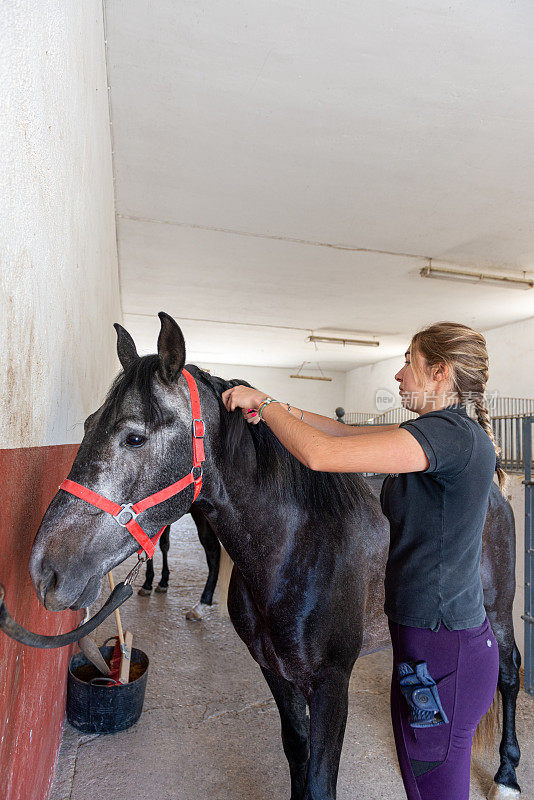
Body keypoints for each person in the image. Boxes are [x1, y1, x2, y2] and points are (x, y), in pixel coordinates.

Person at [221, 320, 504, 800]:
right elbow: (344, 431)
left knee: (438, 789)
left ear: (441, 372)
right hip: (421, 646)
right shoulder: (433, 432)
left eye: (409, 363)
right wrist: (271, 403)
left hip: (446, 651)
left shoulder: (453, 437)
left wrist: (265, 406)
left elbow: (323, 453)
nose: (398, 375)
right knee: (420, 785)